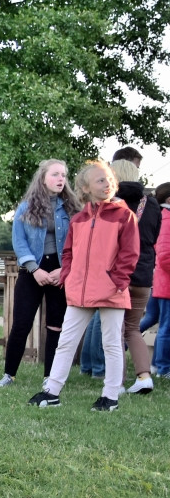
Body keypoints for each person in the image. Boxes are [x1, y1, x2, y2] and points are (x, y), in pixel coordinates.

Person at [29, 160, 139, 411]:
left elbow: (130, 254)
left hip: (112, 290)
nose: (107, 183)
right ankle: (52, 391)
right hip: (79, 290)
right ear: (85, 188)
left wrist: (118, 282)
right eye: (100, 180)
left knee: (111, 343)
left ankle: (110, 396)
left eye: (110, 179)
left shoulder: (124, 216)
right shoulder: (78, 219)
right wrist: (69, 274)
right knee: (66, 341)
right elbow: (68, 252)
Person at [0, 159, 80, 387]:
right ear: (42, 178)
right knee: (21, 323)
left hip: (61, 271)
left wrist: (64, 269)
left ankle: (50, 378)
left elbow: (79, 243)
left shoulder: (72, 208)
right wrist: (35, 269)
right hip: (32, 271)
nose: (61, 179)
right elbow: (19, 242)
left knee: (55, 325)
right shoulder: (26, 207)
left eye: (64, 175)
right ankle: (9, 375)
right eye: (55, 174)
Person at [110, 158, 161, 394]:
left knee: (115, 330)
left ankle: (117, 382)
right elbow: (154, 237)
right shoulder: (151, 203)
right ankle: (143, 377)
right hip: (143, 276)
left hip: (118, 274)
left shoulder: (112, 202)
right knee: (132, 328)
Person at [147, 182, 170, 380]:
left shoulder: (162, 217)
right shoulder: (168, 219)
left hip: (160, 281)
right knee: (166, 328)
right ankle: (163, 368)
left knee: (152, 319)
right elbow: (165, 256)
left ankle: (156, 365)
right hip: (166, 283)